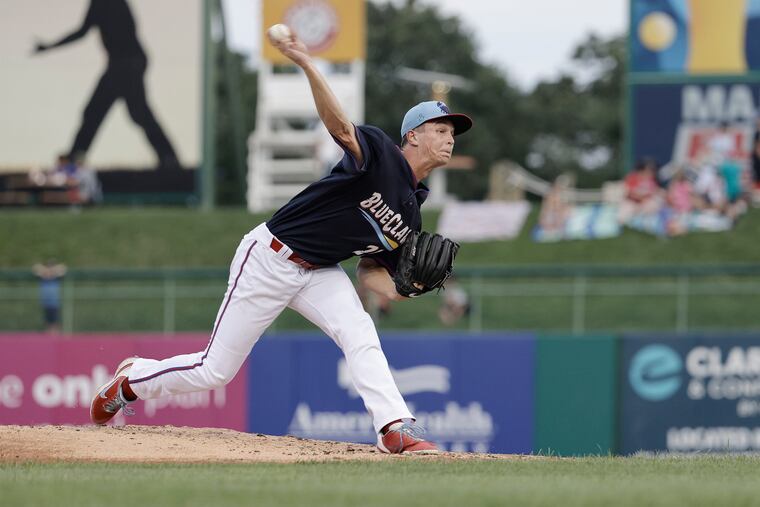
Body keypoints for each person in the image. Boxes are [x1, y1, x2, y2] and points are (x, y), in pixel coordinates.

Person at [90, 27, 473, 455]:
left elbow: (371, 270)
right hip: (271, 257)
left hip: (320, 271)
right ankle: (133, 379)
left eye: (452, 131)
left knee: (359, 331)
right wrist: (308, 63)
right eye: (439, 128)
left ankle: (392, 428)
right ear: (413, 135)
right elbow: (341, 129)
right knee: (214, 370)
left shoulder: (411, 213)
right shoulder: (382, 154)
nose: (449, 136)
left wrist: (406, 290)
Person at [33, 0, 180, 170]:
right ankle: (168, 157)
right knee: (124, 113)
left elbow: (116, 32)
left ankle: (168, 157)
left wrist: (50, 47)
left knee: (116, 112)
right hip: (122, 64)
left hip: (126, 64)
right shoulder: (100, 3)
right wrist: (50, 46)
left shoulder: (111, 3)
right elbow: (83, 31)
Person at [32, 260, 67, 334]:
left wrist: (52, 271)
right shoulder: (43, 278)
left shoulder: (56, 278)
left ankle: (55, 335)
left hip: (54, 304)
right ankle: (48, 335)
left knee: (55, 321)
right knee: (47, 321)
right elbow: (35, 267)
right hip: (45, 303)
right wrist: (46, 271)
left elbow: (63, 268)